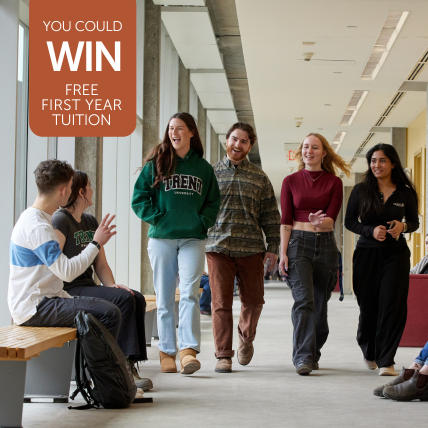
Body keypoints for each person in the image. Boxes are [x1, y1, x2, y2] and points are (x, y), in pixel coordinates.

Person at [131, 112, 220, 375]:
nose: (174, 133)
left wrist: (202, 221)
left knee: (191, 292)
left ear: (191, 132)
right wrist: (158, 218)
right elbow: (139, 198)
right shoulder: (156, 164)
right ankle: (167, 352)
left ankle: (188, 351)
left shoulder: (203, 168)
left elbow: (213, 202)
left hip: (193, 237)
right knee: (165, 296)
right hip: (161, 239)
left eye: (180, 128)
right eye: (171, 128)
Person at [51, 171, 152, 391]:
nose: (93, 190)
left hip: (88, 286)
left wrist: (113, 286)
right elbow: (55, 263)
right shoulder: (60, 219)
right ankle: (121, 366)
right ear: (81, 192)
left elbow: (101, 264)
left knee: (136, 297)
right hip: (70, 290)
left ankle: (130, 362)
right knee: (123, 300)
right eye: (89, 187)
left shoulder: (89, 220)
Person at [8, 160, 119, 337]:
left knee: (107, 309)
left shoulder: (37, 218)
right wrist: (95, 243)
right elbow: (66, 272)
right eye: (70, 186)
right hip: (35, 307)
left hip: (48, 300)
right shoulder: (38, 227)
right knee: (108, 312)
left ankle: (94, 364)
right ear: (63, 191)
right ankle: (103, 366)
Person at [206, 122, 281, 374]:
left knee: (254, 301)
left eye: (244, 141)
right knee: (220, 303)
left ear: (250, 145)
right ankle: (223, 355)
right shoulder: (211, 173)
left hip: (251, 248)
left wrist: (273, 246)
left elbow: (271, 214)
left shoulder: (259, 178)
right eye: (234, 139)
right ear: (227, 140)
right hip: (218, 247)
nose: (238, 145)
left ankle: (246, 338)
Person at [279, 133, 350, 375]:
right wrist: (283, 253)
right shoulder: (290, 181)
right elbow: (286, 221)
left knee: (320, 306)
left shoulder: (334, 183)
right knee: (304, 301)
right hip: (298, 245)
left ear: (323, 153)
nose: (309, 151)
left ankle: (313, 352)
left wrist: (319, 222)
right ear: (301, 152)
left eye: (315, 147)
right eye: (306, 147)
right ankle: (303, 358)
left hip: (325, 245)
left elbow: (331, 221)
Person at [345, 143, 419, 376]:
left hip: (395, 255)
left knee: (392, 305)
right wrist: (369, 231)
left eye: (382, 160)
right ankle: (369, 349)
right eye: (373, 160)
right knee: (368, 307)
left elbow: (414, 222)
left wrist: (403, 226)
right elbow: (349, 222)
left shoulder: (406, 192)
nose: (377, 165)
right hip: (366, 254)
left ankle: (387, 360)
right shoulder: (360, 190)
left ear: (393, 163)